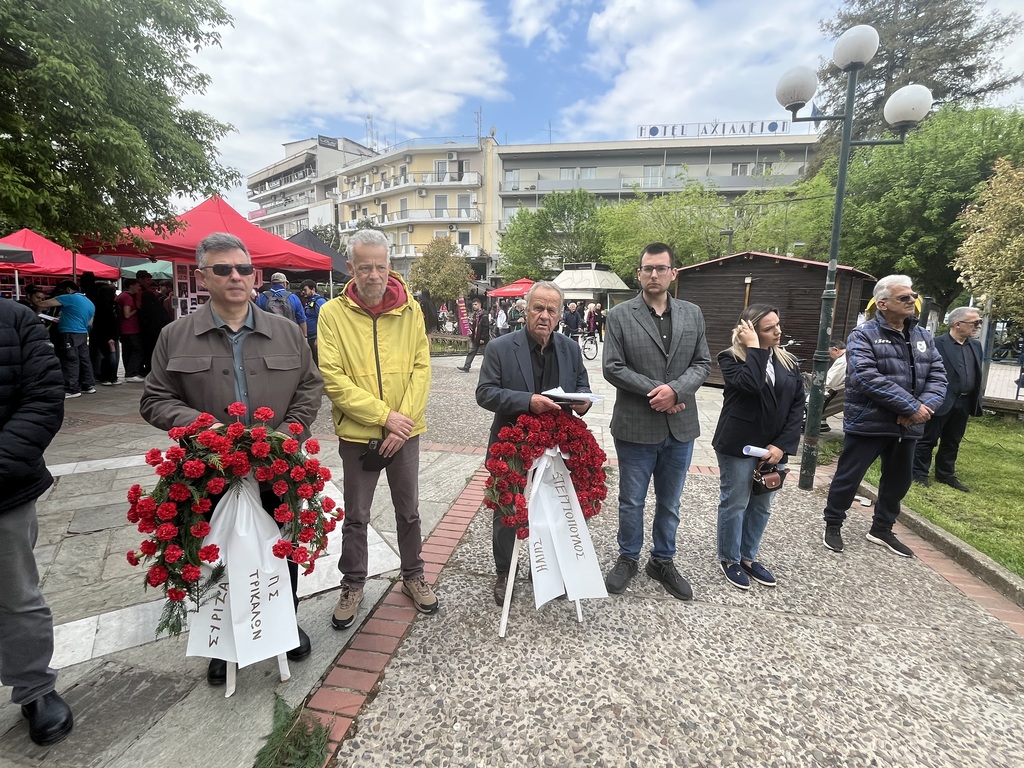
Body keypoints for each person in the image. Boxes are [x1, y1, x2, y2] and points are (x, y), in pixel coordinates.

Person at [139, 232, 323, 686]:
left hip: (275, 468)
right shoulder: (175, 336)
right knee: (215, 553)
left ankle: (283, 623)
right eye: (222, 269)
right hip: (210, 472)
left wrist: (287, 435)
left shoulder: (286, 331)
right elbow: (155, 399)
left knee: (281, 548)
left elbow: (309, 387)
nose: (235, 277)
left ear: (254, 276)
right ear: (203, 277)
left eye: (243, 268)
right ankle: (223, 640)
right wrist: (208, 430)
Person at [317, 228, 438, 629]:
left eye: (380, 266)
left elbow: (421, 368)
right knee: (356, 514)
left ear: (390, 266)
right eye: (365, 267)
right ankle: (353, 583)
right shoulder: (332, 314)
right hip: (358, 435)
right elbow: (333, 379)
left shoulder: (411, 310)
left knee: (409, 511)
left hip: (405, 433)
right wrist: (384, 417)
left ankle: (413, 575)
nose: (374, 275)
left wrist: (401, 424)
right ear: (350, 267)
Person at [602, 243, 711, 600]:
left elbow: (702, 363)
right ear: (639, 274)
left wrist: (677, 391)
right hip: (636, 426)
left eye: (661, 268)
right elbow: (613, 367)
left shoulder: (693, 314)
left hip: (680, 429)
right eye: (647, 268)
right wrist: (659, 393)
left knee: (670, 502)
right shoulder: (620, 315)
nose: (654, 274)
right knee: (631, 501)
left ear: (673, 273)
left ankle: (662, 560)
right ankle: (628, 558)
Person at [476, 281, 592, 605]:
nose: (544, 315)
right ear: (525, 311)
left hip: (556, 447)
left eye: (551, 310)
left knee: (554, 508)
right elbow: (485, 393)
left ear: (560, 315)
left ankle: (548, 571)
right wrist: (528, 401)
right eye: (538, 308)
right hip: (511, 444)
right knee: (507, 510)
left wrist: (583, 401)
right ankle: (505, 571)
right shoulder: (500, 347)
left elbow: (582, 387)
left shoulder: (570, 349)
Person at [822, 275, 946, 558]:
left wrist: (921, 409)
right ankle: (833, 523)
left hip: (908, 425)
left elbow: (938, 376)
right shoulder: (863, 335)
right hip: (869, 422)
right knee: (849, 477)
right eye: (904, 297)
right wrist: (910, 408)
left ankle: (882, 528)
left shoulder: (923, 336)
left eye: (913, 296)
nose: (911, 301)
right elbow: (865, 376)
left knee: (899, 481)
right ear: (882, 303)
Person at [0, 298, 73, 746]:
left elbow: (44, 398)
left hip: (3, 486)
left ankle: (34, 687)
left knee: (16, 595)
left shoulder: (14, 319)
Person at [713, 305, 804, 590]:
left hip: (775, 447)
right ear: (748, 331)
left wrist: (782, 445)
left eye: (778, 324)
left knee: (763, 505)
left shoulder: (788, 362)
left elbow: (797, 406)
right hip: (739, 444)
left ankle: (748, 557)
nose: (778, 331)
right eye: (769, 328)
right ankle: (730, 559)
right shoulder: (730, 358)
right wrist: (755, 348)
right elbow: (751, 385)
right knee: (736, 502)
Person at [912, 306, 983, 492]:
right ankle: (919, 473)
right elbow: (924, 372)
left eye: (980, 322)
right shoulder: (936, 343)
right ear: (958, 324)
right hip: (940, 400)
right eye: (975, 322)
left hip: (964, 401)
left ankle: (945, 474)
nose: (978, 326)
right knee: (927, 439)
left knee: (953, 440)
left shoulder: (975, 346)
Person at [37, 280, 96, 399]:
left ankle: (71, 389)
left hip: (70, 333)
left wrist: (36, 302)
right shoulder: (89, 302)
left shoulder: (69, 297)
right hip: (82, 333)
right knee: (84, 359)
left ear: (68, 289)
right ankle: (88, 385)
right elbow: (90, 323)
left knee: (70, 359)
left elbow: (44, 304)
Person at [257, 272, 308, 339]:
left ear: (272, 283)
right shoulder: (293, 297)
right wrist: (304, 337)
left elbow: (257, 318)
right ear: (284, 284)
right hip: (289, 337)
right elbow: (302, 320)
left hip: (268, 337)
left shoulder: (262, 297)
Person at [89, 282, 121, 386]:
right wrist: (109, 337)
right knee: (110, 356)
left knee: (110, 356)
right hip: (107, 335)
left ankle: (110, 376)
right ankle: (107, 377)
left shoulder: (109, 305)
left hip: (108, 335)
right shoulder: (104, 307)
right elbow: (104, 323)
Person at [117, 280, 145, 382]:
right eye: (137, 286)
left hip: (124, 329)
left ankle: (129, 373)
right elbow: (127, 314)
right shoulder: (127, 297)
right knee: (137, 350)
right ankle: (131, 373)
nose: (139, 288)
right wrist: (137, 310)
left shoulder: (121, 296)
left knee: (127, 351)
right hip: (130, 328)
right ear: (131, 286)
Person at [819, 340, 847, 432]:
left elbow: (830, 382)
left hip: (829, 394)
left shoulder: (842, 361)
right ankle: (822, 421)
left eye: (830, 353)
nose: (830, 357)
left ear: (836, 350)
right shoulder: (848, 357)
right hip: (839, 393)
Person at [299, 279, 328, 365]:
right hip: (309, 337)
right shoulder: (308, 302)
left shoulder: (319, 301)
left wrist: (319, 337)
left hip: (316, 338)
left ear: (313, 289)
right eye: (302, 290)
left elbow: (324, 320)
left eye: (305, 290)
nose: (303, 292)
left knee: (317, 362)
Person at [457, 298, 489, 372]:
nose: (474, 306)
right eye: (473, 305)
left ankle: (491, 367)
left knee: (486, 354)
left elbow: (486, 327)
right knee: (471, 352)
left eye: (475, 304)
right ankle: (466, 366)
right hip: (475, 338)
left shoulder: (484, 315)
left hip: (482, 339)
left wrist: (483, 338)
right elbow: (475, 326)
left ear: (479, 305)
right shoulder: (476, 314)